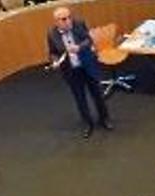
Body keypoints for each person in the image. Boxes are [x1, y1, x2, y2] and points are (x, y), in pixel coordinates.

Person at [47, 7, 111, 138]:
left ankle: (104, 119)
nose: (68, 20)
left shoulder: (79, 24)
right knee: (80, 98)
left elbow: (89, 40)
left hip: (87, 65)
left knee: (97, 93)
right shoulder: (51, 34)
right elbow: (53, 52)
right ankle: (88, 123)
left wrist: (79, 47)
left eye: (69, 16)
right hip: (71, 70)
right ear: (56, 21)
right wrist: (55, 61)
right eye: (64, 19)